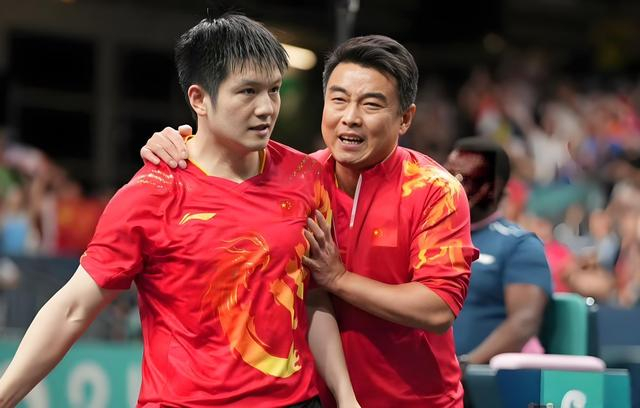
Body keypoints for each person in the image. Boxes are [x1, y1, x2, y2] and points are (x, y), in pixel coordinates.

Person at [0, 14, 360, 408]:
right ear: (199, 99)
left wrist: (346, 397)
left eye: (273, 90)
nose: (266, 108)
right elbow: (73, 308)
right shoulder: (150, 195)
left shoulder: (306, 176)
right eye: (247, 92)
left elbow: (312, 295)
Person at [143, 35, 478, 408]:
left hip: (419, 401)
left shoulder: (435, 191)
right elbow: (225, 156)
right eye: (338, 99)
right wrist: (178, 144)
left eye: (370, 104)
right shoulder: (298, 178)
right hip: (316, 399)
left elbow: (437, 307)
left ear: (405, 119)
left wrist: (339, 280)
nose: (350, 117)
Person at [443, 137, 552, 366]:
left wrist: (465, 366)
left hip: (483, 378)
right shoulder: (428, 237)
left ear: (495, 188)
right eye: (449, 175)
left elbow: (524, 322)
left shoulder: (520, 245)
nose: (453, 185)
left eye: (467, 178)